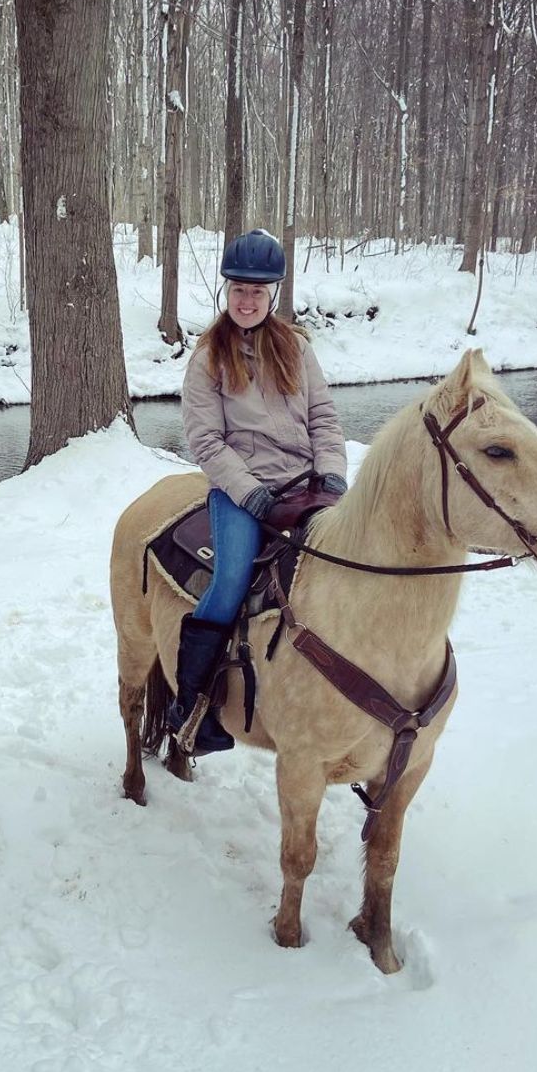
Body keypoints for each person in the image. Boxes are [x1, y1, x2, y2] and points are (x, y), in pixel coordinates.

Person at [171, 228, 347, 754]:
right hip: (241, 491)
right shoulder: (207, 359)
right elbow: (205, 440)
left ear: (273, 296)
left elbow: (323, 417)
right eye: (239, 290)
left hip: (307, 485)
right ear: (227, 291)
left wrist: (333, 473)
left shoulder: (296, 348)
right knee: (229, 582)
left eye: (258, 291)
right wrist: (248, 494)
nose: (247, 301)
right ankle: (193, 704)